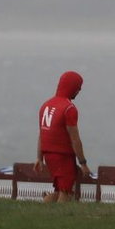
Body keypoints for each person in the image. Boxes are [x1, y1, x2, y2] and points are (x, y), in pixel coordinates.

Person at [34, 70, 91, 204]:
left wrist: (39, 158)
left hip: (49, 156)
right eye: (78, 87)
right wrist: (83, 163)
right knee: (66, 193)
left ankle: (41, 212)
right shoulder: (68, 108)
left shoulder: (45, 105)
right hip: (63, 156)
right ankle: (59, 218)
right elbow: (75, 139)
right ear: (72, 87)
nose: (79, 90)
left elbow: (42, 135)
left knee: (59, 191)